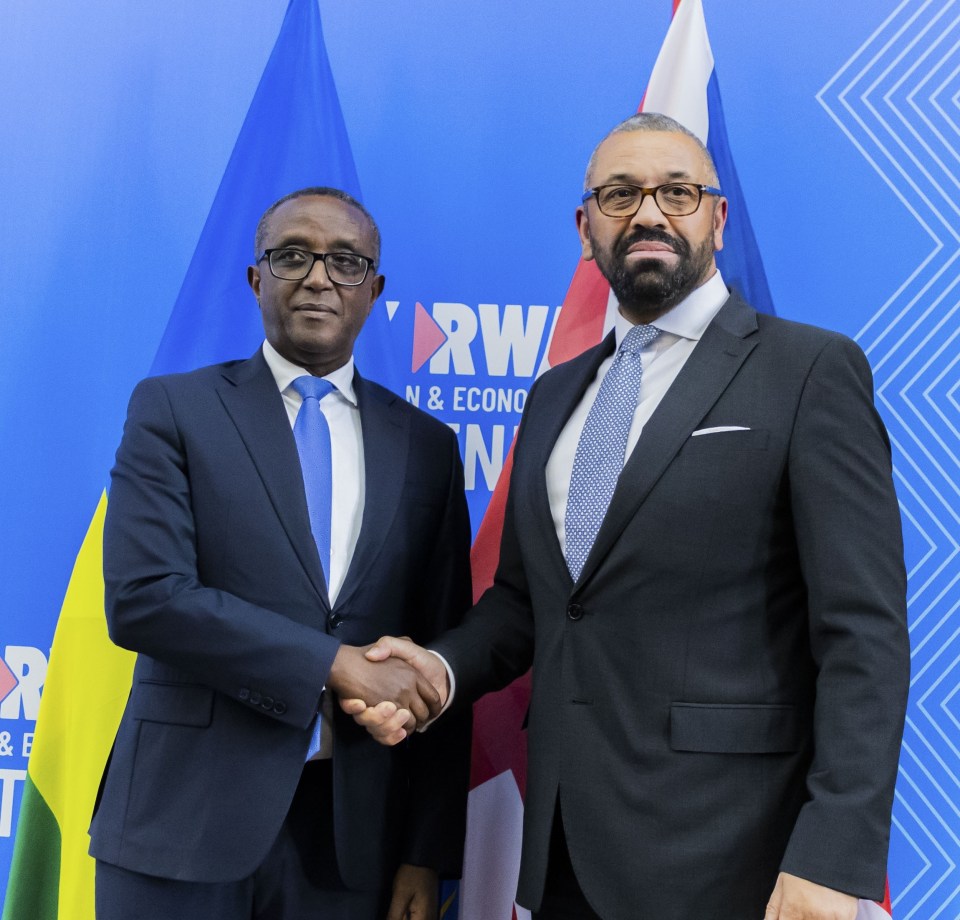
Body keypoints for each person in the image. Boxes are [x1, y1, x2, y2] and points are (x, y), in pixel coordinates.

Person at [344, 114, 911, 920]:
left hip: (739, 858)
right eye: (620, 194)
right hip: (565, 850)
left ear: (717, 217)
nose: (648, 213)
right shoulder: (554, 394)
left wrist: (834, 856)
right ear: (587, 229)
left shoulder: (810, 370)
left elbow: (865, 638)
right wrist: (437, 672)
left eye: (676, 192)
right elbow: (525, 603)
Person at [90, 187, 472, 920]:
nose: (319, 277)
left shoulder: (427, 448)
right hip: (181, 825)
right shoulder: (174, 410)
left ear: (375, 290)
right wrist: (331, 663)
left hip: (351, 844)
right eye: (292, 255)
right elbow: (146, 598)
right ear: (255, 277)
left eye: (346, 262)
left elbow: (439, 648)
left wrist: (425, 853)